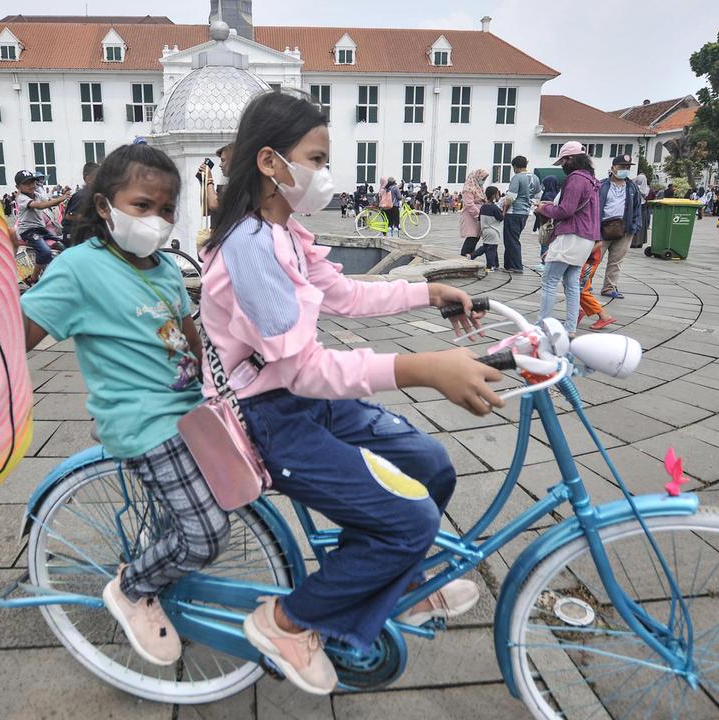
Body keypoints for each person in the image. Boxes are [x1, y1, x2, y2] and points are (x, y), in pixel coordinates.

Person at [200, 90, 497, 696]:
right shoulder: (250, 248)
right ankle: (285, 622)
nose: (325, 172)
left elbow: (345, 295)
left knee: (430, 466)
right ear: (269, 163)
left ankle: (396, 588)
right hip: (269, 416)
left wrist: (428, 291)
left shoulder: (285, 230)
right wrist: (425, 369)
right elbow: (305, 370)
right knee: (408, 520)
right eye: (315, 156)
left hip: (305, 403)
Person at [20, 142, 226, 668]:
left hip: (188, 410)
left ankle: (159, 566)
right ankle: (133, 588)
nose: (156, 219)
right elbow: (17, 333)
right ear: (105, 205)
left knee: (232, 490)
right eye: (142, 206)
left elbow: (186, 331)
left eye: (165, 210)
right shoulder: (78, 269)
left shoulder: (161, 268)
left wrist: (211, 380)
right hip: (143, 423)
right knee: (205, 535)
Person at [534, 142, 599, 339]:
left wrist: (542, 209)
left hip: (571, 235)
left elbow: (566, 210)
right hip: (586, 237)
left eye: (563, 161)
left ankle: (541, 324)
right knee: (571, 283)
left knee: (549, 281)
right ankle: (570, 326)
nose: (562, 166)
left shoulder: (576, 179)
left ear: (570, 159)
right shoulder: (592, 180)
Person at [595, 155, 642, 299]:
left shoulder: (632, 187)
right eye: (622, 167)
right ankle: (584, 284)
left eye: (627, 168)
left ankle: (609, 287)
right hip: (603, 228)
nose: (625, 170)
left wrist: (634, 226)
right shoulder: (602, 186)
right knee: (594, 258)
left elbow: (637, 208)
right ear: (612, 168)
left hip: (624, 228)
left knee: (616, 261)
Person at [13, 170, 68, 284]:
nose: (31, 185)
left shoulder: (37, 194)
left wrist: (63, 196)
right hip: (29, 231)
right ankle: (33, 278)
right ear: (18, 187)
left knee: (64, 243)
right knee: (45, 252)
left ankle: (59, 272)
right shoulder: (22, 198)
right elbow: (41, 205)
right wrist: (61, 198)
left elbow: (48, 201)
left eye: (33, 182)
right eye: (27, 183)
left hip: (40, 229)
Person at [502, 156, 540, 274]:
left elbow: (510, 198)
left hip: (513, 212)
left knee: (511, 240)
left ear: (515, 166)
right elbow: (538, 196)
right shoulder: (535, 177)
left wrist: (503, 211)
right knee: (513, 238)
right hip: (525, 212)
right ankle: (508, 265)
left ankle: (516, 266)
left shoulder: (517, 177)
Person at [62, 162, 100, 247]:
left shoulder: (93, 194)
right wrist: (90, 220)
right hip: (73, 234)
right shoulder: (81, 195)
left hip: (85, 233)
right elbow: (69, 215)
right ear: (88, 178)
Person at [458, 168, 489, 260]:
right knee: (471, 238)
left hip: (478, 217)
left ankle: (469, 258)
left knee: (475, 238)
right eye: (482, 179)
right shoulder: (468, 188)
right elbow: (469, 204)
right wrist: (478, 215)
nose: (483, 181)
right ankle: (463, 257)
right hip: (471, 217)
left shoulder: (479, 188)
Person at [473, 185, 504, 270]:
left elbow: (479, 218)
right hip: (493, 232)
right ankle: (490, 266)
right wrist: (504, 209)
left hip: (485, 230)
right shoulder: (494, 208)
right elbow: (501, 218)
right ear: (494, 195)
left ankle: (496, 264)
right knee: (491, 249)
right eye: (498, 194)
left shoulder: (483, 206)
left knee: (487, 247)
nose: (499, 196)